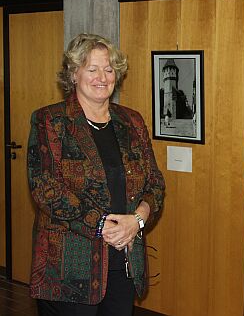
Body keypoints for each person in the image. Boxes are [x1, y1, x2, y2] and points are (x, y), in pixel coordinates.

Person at [27, 33, 165, 316]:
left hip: (123, 260)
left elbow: (155, 183)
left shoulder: (132, 120)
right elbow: (46, 189)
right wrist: (103, 225)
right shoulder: (51, 121)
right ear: (74, 74)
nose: (102, 77)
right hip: (68, 267)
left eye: (109, 69)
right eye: (92, 69)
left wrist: (137, 220)